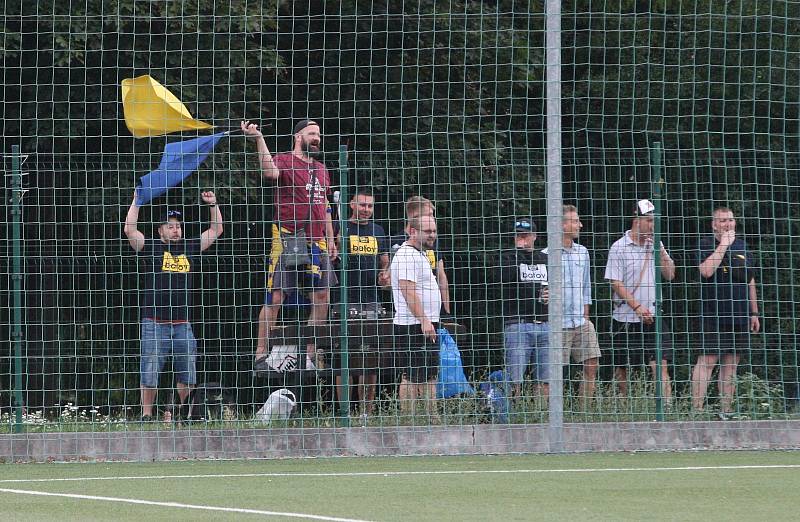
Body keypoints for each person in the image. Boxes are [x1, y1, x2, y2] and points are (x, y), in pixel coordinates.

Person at [241, 119, 339, 371]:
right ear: (298, 137)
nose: (317, 138)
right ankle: (261, 352)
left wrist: (331, 238)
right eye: (312, 134)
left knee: (322, 295)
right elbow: (269, 173)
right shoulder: (284, 159)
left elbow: (326, 206)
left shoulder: (321, 168)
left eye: (319, 134)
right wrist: (258, 140)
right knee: (276, 295)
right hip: (288, 236)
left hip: (317, 240)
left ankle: (311, 351)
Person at [123, 191, 223, 422]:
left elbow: (216, 230)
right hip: (154, 322)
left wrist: (212, 204)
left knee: (187, 371)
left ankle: (185, 414)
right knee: (149, 370)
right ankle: (147, 415)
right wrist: (137, 202)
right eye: (169, 226)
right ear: (160, 231)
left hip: (182, 323)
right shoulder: (152, 248)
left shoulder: (189, 247)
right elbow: (130, 230)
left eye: (178, 226)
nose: (175, 229)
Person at [690, 207, 760, 418]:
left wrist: (754, 312)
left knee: (731, 364)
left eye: (730, 220)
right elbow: (706, 271)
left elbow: (750, 280)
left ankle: (726, 412)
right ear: (714, 224)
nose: (727, 224)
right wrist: (723, 245)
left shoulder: (743, 246)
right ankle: (697, 411)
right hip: (713, 313)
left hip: (740, 314)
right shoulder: (705, 244)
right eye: (722, 221)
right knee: (708, 361)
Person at [604, 199, 676, 403]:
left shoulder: (656, 243)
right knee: (623, 367)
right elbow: (615, 283)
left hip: (654, 316)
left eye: (655, 221)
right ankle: (626, 405)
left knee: (660, 364)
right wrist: (636, 307)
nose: (653, 226)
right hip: (626, 317)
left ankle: (667, 409)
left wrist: (660, 251)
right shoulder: (619, 247)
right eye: (650, 221)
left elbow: (670, 274)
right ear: (637, 220)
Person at [334, 189, 390, 416]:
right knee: (344, 360)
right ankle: (345, 412)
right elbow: (332, 254)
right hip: (344, 301)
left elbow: (385, 262)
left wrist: (384, 274)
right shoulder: (340, 227)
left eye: (370, 206)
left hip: (371, 301)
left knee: (370, 359)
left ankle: (366, 411)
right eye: (362, 205)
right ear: (351, 205)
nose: (366, 209)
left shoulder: (378, 231)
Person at [391, 214, 441, 416]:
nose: (433, 236)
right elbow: (407, 290)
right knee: (411, 375)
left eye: (434, 231)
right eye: (428, 231)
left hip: (425, 322)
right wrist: (423, 320)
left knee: (429, 375)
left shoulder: (418, 253)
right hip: (414, 324)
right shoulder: (406, 255)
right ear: (412, 231)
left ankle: (432, 416)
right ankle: (409, 420)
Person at [498, 218, 549, 398]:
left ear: (534, 236)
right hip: (518, 324)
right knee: (515, 377)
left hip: (544, 324)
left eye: (526, 235)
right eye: (519, 235)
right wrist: (519, 252)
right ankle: (515, 415)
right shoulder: (507, 257)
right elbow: (504, 278)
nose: (523, 239)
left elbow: (556, 285)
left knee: (545, 378)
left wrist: (551, 295)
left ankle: (542, 416)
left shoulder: (545, 258)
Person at [556, 205, 601, 408]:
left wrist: (585, 316)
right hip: (558, 323)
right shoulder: (547, 254)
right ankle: (554, 414)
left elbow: (586, 287)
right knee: (555, 371)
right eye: (575, 221)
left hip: (580, 320)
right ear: (562, 224)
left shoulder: (583, 252)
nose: (580, 225)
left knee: (592, 363)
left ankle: (585, 411)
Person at [392, 196, 451, 315]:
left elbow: (441, 275)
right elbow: (393, 281)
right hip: (412, 314)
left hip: (434, 312)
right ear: (415, 215)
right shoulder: (398, 243)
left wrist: (446, 310)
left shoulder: (431, 241)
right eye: (429, 214)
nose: (432, 218)